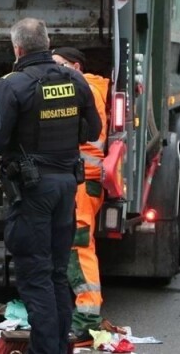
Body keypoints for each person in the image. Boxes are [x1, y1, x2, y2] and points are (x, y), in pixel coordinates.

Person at [0, 19, 102, 354]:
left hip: (33, 190)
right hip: (67, 186)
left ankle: (46, 349)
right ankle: (57, 347)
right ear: (48, 43)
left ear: (17, 49)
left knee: (35, 275)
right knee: (55, 273)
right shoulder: (75, 80)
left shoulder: (12, 86)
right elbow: (92, 131)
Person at [51, 47, 110, 343]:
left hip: (82, 182)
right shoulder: (89, 87)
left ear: (75, 65)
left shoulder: (83, 89)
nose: (54, 70)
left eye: (59, 65)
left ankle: (87, 317)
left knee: (78, 248)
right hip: (82, 182)